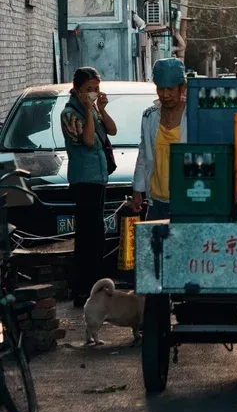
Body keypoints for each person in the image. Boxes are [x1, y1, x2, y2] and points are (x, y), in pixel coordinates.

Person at [60, 67, 117, 308]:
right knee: (87, 235)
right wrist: (87, 108)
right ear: (77, 88)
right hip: (84, 179)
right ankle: (83, 288)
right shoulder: (70, 113)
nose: (93, 93)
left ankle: (95, 284)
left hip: (99, 177)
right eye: (88, 89)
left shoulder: (94, 109)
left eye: (96, 89)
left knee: (97, 235)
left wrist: (100, 109)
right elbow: (89, 141)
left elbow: (112, 131)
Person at [131, 58, 188, 220]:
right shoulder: (149, 116)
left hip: (185, 199)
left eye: (170, 89)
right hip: (156, 201)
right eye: (160, 89)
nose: (165, 94)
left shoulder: (193, 116)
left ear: (182, 88)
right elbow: (143, 154)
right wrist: (137, 190)